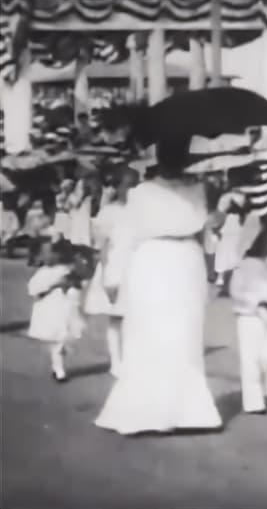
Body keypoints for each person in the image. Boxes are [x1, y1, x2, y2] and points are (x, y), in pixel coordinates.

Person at [95, 141, 222, 435]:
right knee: (149, 333)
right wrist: (113, 277)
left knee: (184, 336)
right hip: (154, 261)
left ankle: (189, 412)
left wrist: (212, 269)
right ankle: (146, 411)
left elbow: (206, 234)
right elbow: (125, 235)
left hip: (184, 264)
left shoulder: (197, 190)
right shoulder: (142, 193)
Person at [84, 167, 139, 378]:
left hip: (139, 267)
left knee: (137, 318)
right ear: (118, 188)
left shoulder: (143, 211)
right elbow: (103, 247)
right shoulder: (109, 213)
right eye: (128, 185)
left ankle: (134, 358)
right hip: (117, 267)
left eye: (136, 185)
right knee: (116, 317)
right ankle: (116, 361)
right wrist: (109, 277)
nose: (133, 190)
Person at [230, 216, 267, 414]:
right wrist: (256, 304)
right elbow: (237, 292)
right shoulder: (244, 267)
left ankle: (266, 388)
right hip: (250, 317)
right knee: (250, 359)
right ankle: (253, 401)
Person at [27, 238, 85, 381]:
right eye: (46, 253)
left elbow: (77, 283)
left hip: (66, 310)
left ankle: (58, 365)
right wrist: (54, 285)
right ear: (40, 256)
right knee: (57, 342)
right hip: (50, 312)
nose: (51, 256)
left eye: (53, 252)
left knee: (65, 340)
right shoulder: (42, 273)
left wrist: (71, 284)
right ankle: (59, 370)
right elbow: (33, 289)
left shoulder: (65, 269)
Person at [67, 177, 92, 247]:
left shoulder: (88, 199)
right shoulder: (72, 197)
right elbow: (75, 206)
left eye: (82, 187)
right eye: (79, 187)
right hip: (75, 226)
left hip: (84, 227)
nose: (80, 189)